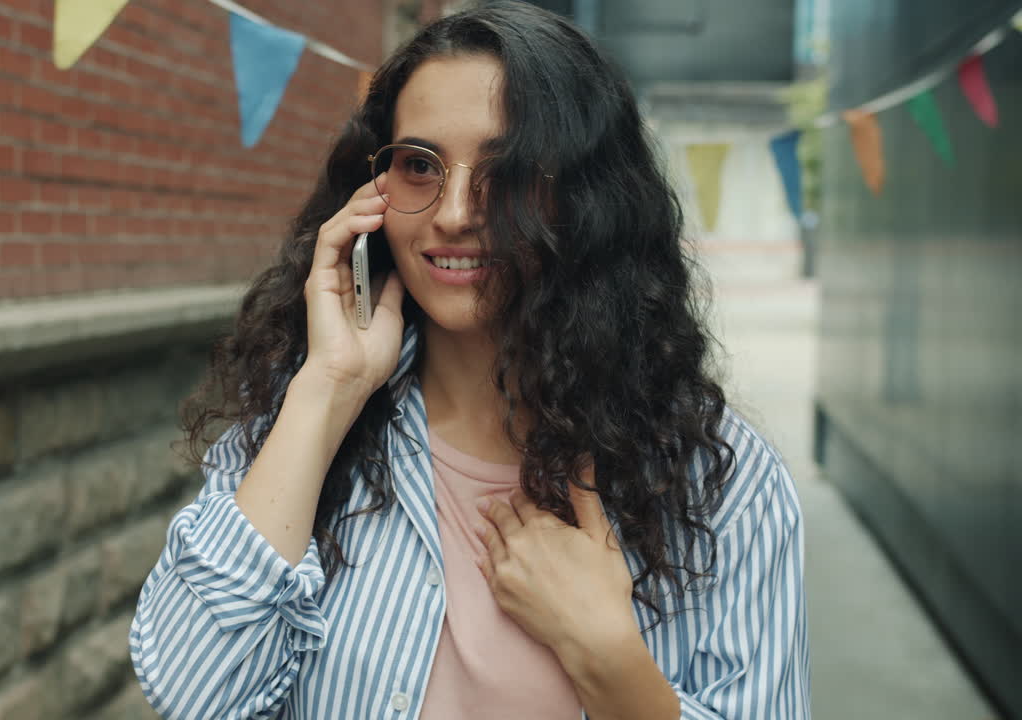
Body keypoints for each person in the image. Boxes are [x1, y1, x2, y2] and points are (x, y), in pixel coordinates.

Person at [129, 2, 810, 718]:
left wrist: (609, 658)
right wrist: (329, 390)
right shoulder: (304, 426)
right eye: (420, 165)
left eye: (507, 172)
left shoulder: (719, 480)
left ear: (587, 200)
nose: (454, 212)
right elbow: (193, 696)